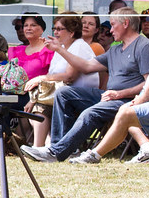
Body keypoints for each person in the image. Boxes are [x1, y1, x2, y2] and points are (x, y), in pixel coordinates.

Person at [65, 4, 149, 165]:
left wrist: (140, 100)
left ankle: (95, 155)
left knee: (127, 111)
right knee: (126, 110)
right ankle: (146, 148)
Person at [20, 8, 149, 162]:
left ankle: (56, 152)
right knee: (64, 93)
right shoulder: (115, 49)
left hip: (127, 100)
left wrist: (120, 94)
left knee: (90, 112)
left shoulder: (144, 46)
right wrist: (59, 49)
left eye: (113, 25)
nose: (110, 30)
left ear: (125, 23)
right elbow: (86, 66)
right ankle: (57, 145)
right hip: (110, 97)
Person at [24, 12, 99, 147]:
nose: (56, 32)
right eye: (54, 29)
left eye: (59, 29)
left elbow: (69, 76)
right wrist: (32, 99)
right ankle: (43, 145)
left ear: (71, 32)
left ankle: (43, 146)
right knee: (34, 106)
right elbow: (52, 76)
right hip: (63, 93)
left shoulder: (79, 46)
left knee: (43, 104)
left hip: (81, 95)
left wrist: (41, 78)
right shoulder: (62, 48)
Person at [7, 13, 54, 82]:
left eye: (33, 25)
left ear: (42, 29)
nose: (28, 28)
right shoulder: (16, 51)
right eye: (26, 25)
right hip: (14, 91)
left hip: (39, 91)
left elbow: (56, 74)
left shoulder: (49, 50)